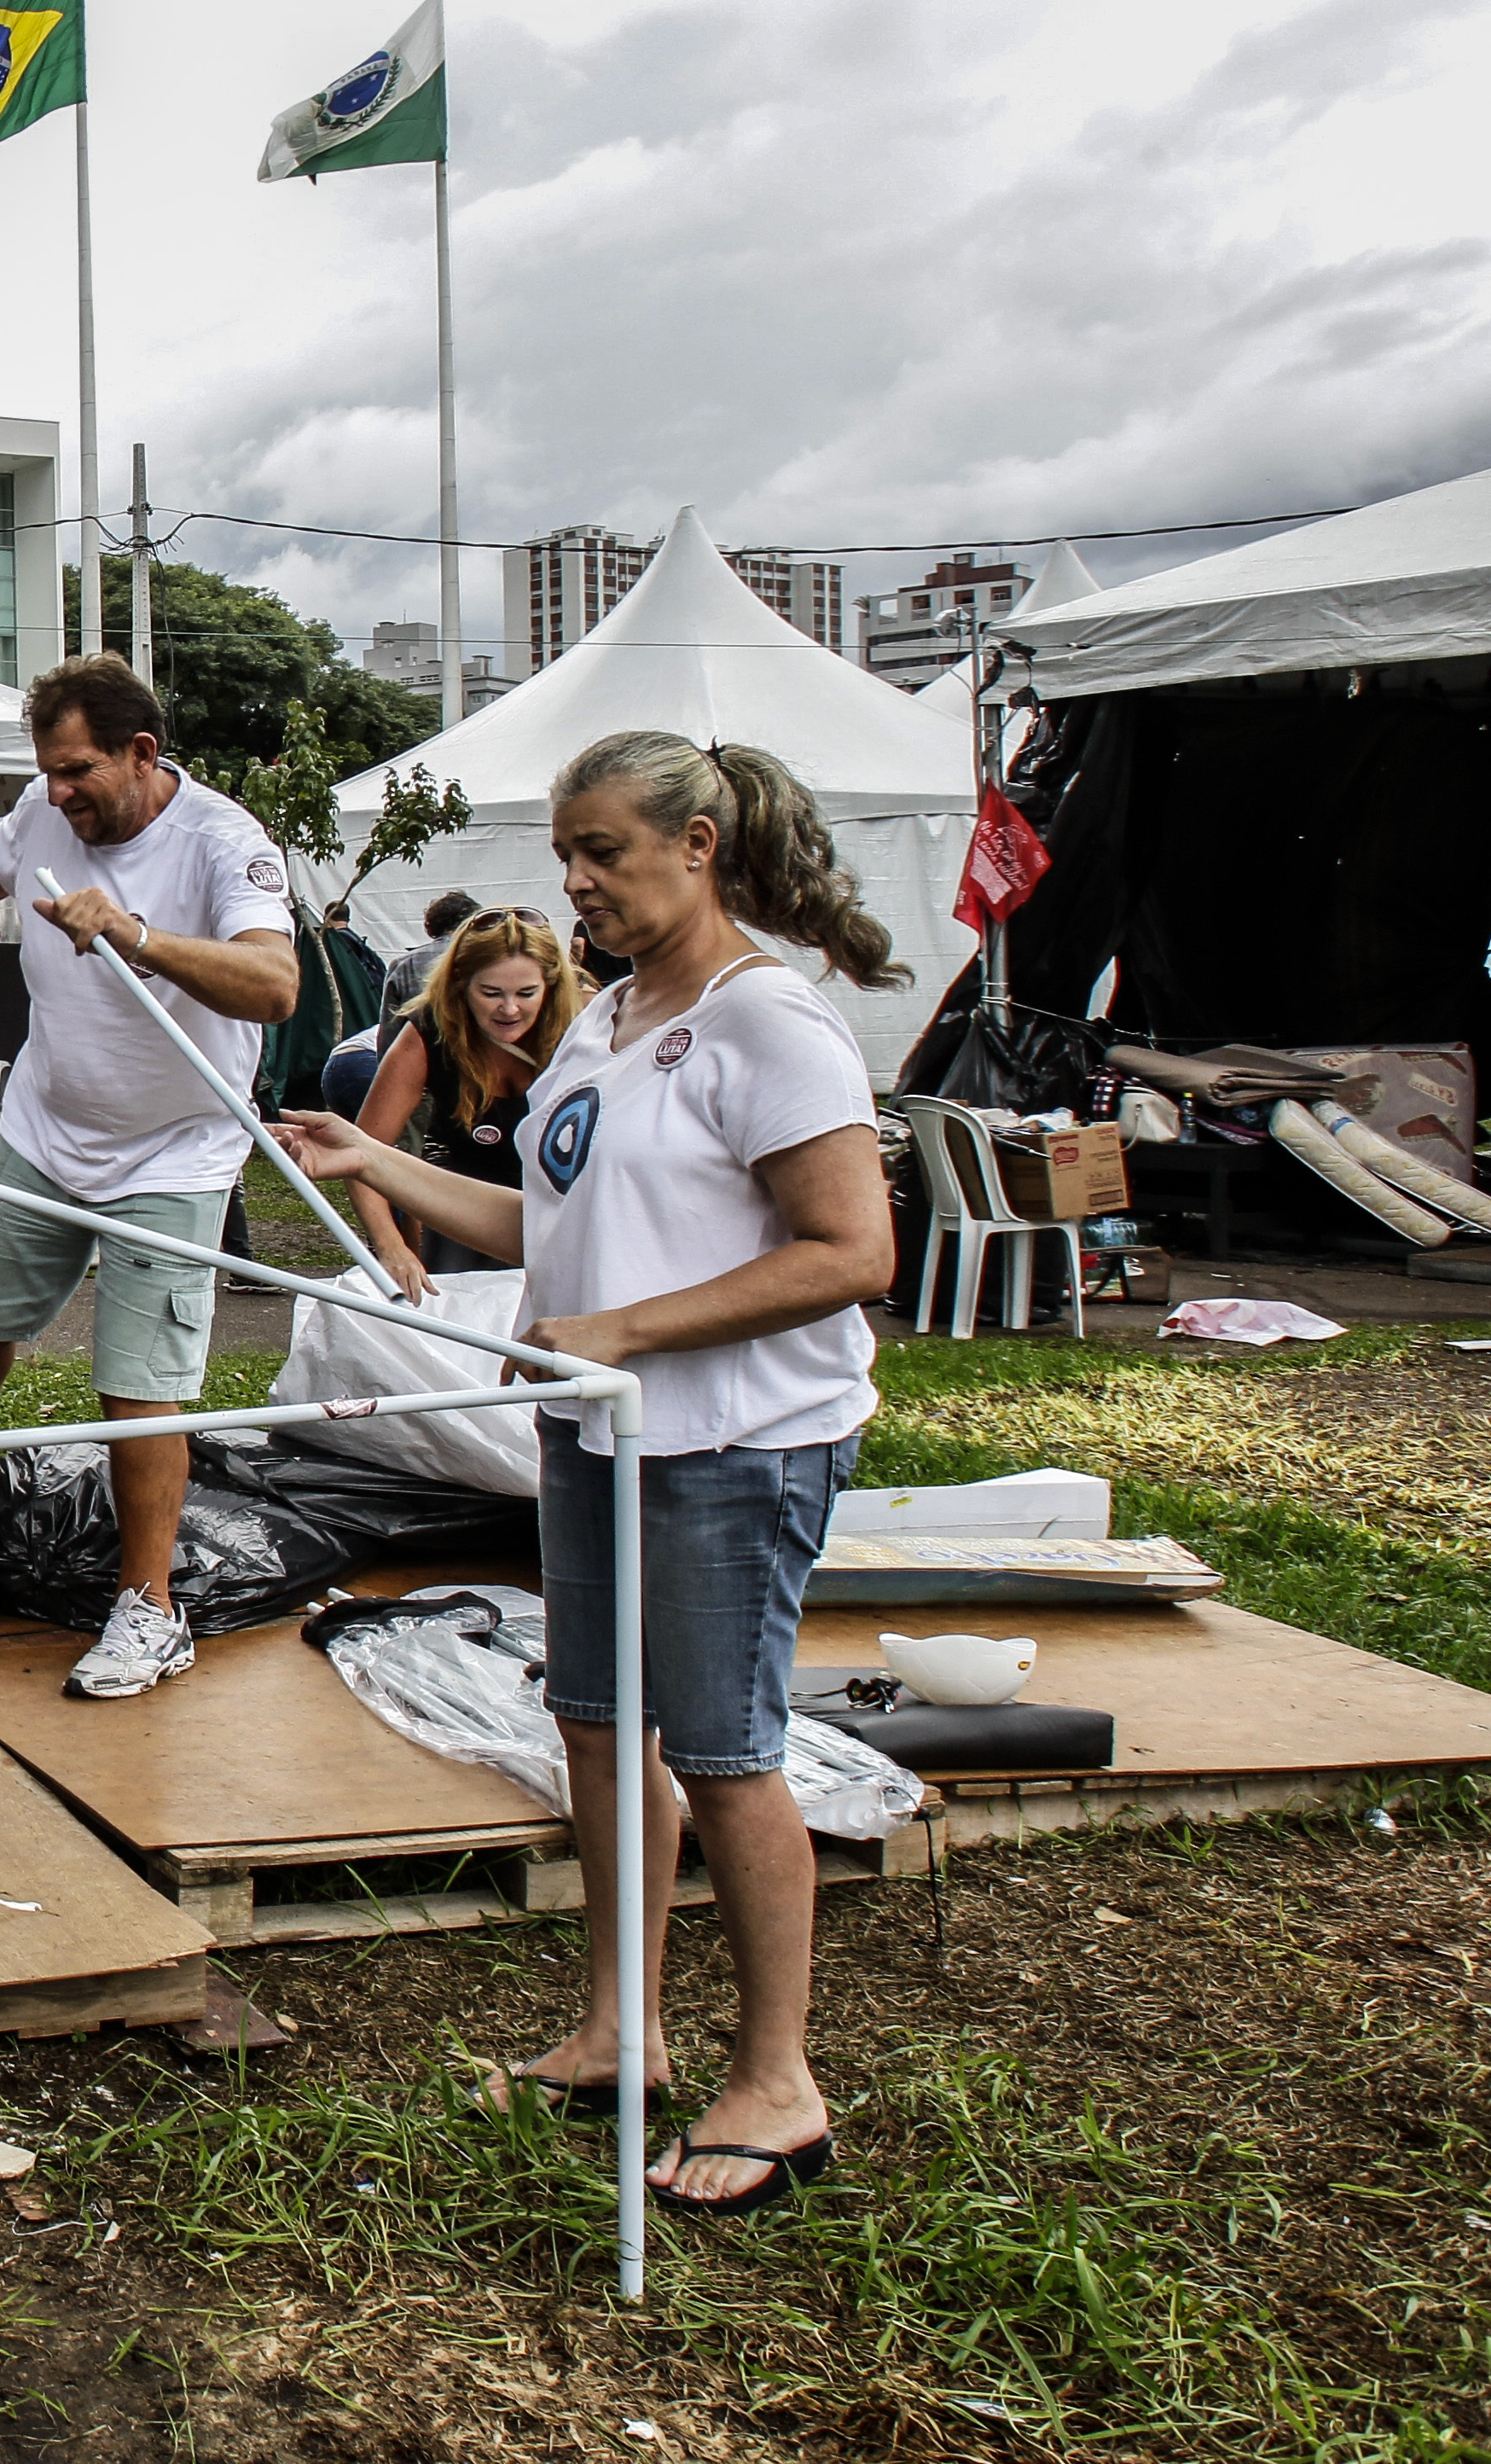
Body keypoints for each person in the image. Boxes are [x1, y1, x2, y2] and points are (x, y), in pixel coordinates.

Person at [274, 729, 902, 2218]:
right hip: (599, 1427)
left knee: (724, 1745)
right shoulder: (608, 1017)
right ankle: (624, 2030)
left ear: (697, 843)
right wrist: (377, 1167)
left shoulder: (772, 1023)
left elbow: (848, 1250)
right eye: (566, 852)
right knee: (599, 1729)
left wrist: (618, 1329)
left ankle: (779, 2079)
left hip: (731, 1440)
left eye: (603, 850)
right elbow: (548, 1225)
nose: (575, 881)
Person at [0, 654, 300, 1700]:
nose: (58, 795)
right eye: (49, 774)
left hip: (175, 1147)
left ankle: (148, 1608)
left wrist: (137, 934)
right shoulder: (44, 805)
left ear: (142, 755)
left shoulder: (225, 842)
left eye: (77, 774)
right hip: (48, 1127)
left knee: (140, 1385)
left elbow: (276, 985)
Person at [345, 905, 592, 1299]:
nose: (509, 1009)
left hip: (567, 1203)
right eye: (491, 993)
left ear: (552, 984)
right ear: (460, 983)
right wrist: (392, 1249)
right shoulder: (429, 1031)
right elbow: (360, 1152)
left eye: (527, 993)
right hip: (465, 1198)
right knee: (455, 1311)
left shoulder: (590, 1024)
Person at [381, 888, 483, 1016]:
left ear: (430, 927)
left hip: (417, 1035)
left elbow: (390, 1026)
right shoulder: (485, 958)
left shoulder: (404, 965)